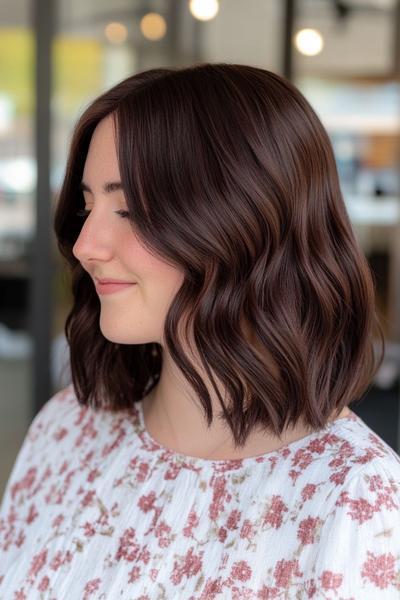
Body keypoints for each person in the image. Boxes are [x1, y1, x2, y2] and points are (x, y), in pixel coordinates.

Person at [0, 62, 399, 599]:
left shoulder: (354, 499)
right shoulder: (68, 428)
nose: (85, 244)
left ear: (244, 222)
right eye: (88, 206)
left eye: (129, 209)